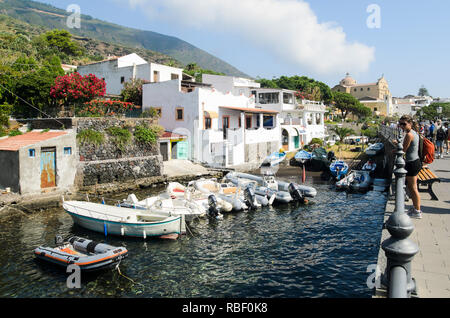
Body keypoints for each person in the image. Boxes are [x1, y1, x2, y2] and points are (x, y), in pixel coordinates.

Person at [394, 115, 422, 219]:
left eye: (404, 124)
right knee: (411, 187)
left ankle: (417, 211)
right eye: (400, 123)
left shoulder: (410, 134)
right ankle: (415, 208)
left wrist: (394, 150)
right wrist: (398, 143)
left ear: (410, 124)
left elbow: (403, 150)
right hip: (414, 162)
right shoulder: (412, 133)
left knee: (413, 188)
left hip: (412, 163)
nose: (401, 126)